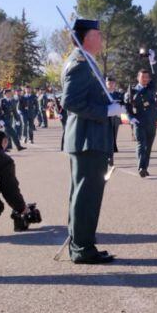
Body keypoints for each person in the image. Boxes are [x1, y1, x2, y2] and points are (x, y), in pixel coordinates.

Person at [61, 18, 121, 264]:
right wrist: (105, 111)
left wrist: (110, 107)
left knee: (85, 194)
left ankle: (82, 243)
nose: (101, 38)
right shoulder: (80, 63)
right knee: (86, 195)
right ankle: (82, 248)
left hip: (90, 138)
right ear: (86, 37)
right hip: (88, 139)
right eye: (98, 33)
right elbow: (71, 101)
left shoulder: (87, 62)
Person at [125, 69, 157, 178]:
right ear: (138, 78)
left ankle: (145, 167)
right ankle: (141, 168)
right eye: (143, 77)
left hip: (151, 121)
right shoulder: (132, 91)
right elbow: (127, 107)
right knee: (141, 144)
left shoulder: (151, 88)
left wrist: (152, 63)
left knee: (148, 146)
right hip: (139, 122)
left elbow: (156, 75)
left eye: (147, 77)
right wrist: (131, 118)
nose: (145, 79)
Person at [106, 77, 124, 165]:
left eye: (112, 83)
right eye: (109, 83)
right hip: (105, 118)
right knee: (106, 138)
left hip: (116, 118)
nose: (111, 85)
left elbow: (123, 104)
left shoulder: (119, 94)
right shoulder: (103, 94)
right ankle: (108, 156)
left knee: (113, 138)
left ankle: (110, 156)